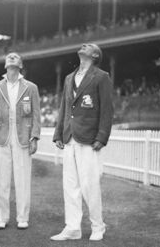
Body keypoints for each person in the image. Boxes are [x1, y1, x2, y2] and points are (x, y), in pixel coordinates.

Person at [51, 43, 113, 241]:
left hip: (89, 138)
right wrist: (58, 133)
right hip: (70, 137)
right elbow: (64, 107)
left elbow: (107, 110)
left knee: (90, 185)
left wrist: (101, 137)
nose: (83, 45)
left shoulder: (102, 77)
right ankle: (73, 227)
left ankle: (98, 226)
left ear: (95, 55)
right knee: (70, 186)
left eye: (89, 46)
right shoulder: (69, 77)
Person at [0, 52, 41, 230]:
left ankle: (22, 218)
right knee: (1, 179)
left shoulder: (31, 87)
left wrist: (35, 137)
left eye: (16, 57)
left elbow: (36, 114)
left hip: (23, 137)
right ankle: (2, 217)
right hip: (1, 137)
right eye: (9, 57)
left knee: (23, 179)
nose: (12, 57)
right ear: (5, 65)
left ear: (21, 65)